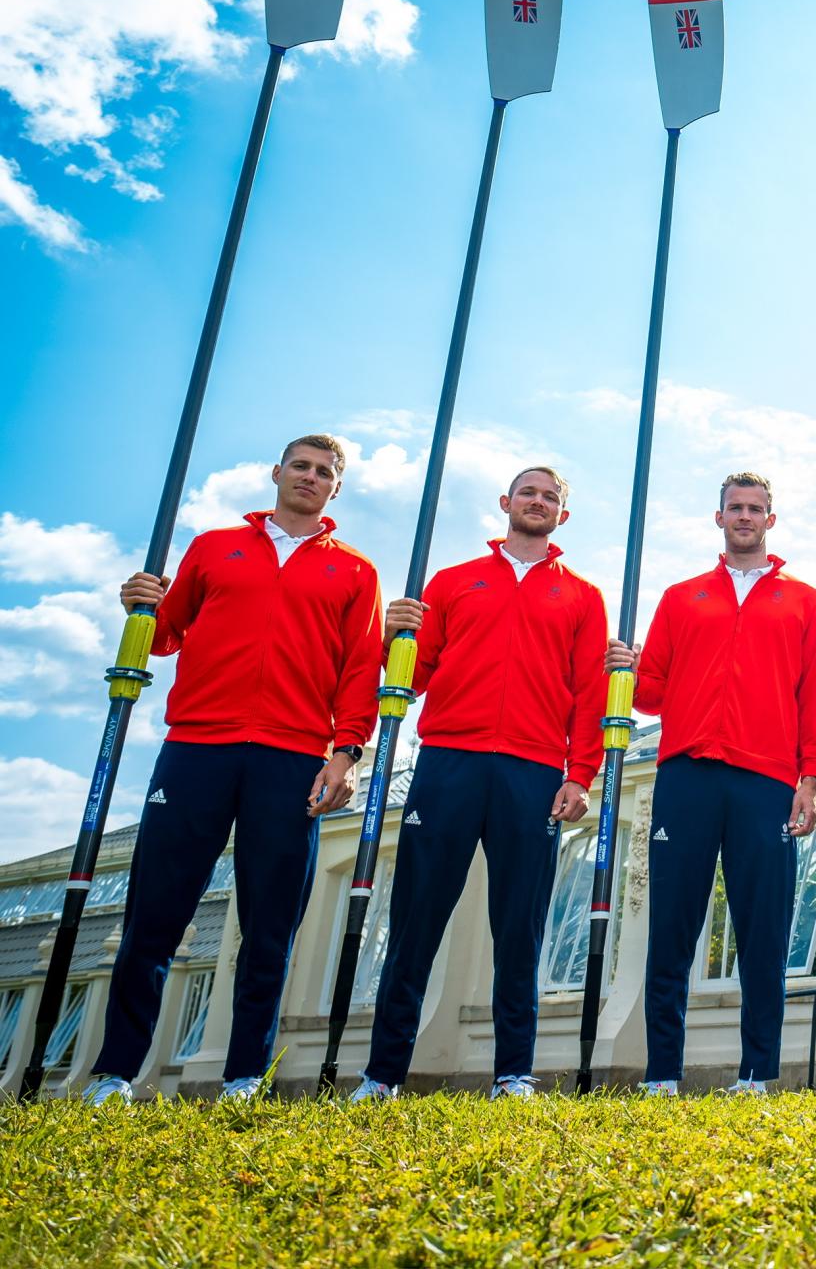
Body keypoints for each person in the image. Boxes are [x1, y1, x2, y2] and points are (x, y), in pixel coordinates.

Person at [83, 434, 382, 1104]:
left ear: (337, 488)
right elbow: (165, 635)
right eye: (300, 466)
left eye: (325, 472)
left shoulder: (356, 571)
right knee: (154, 916)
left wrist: (347, 752)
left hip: (293, 755)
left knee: (271, 924)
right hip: (197, 747)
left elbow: (361, 669)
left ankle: (245, 1075)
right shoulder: (215, 547)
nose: (310, 477)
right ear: (276, 473)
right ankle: (116, 1073)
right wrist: (140, 603)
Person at [350, 467, 606, 1100]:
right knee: (416, 921)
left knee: (520, 925)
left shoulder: (582, 595)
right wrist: (394, 639)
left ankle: (513, 1072)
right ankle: (382, 1075)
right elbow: (412, 679)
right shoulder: (453, 581)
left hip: (534, 769)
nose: (538, 503)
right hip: (449, 762)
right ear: (505, 504)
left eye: (551, 497)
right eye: (528, 493)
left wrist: (581, 774)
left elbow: (588, 693)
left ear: (562, 516)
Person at [610, 472, 816, 1095]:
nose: (744, 517)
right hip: (686, 776)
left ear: (770, 519)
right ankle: (661, 1076)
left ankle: (757, 1073)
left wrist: (810, 778)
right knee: (672, 928)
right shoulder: (682, 597)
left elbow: (815, 698)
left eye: (755, 508)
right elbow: (650, 692)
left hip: (765, 780)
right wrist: (625, 670)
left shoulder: (805, 601)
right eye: (735, 508)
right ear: (719, 517)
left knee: (763, 930)